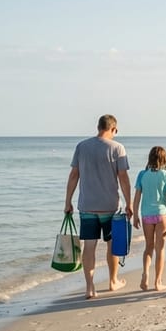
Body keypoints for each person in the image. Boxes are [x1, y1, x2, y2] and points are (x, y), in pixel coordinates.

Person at [64, 114, 132, 299]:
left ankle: (90, 287)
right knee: (112, 244)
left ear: (98, 127)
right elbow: (123, 178)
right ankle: (113, 281)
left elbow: (73, 176)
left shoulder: (82, 146)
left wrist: (67, 201)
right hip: (110, 206)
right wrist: (130, 203)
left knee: (89, 246)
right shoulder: (117, 148)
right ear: (113, 129)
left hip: (87, 205)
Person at [132, 146, 166, 292]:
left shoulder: (142, 175)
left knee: (148, 247)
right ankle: (158, 282)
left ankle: (145, 274)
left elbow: (137, 197)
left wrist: (135, 215)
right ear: (164, 159)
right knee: (160, 249)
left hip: (146, 215)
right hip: (161, 215)